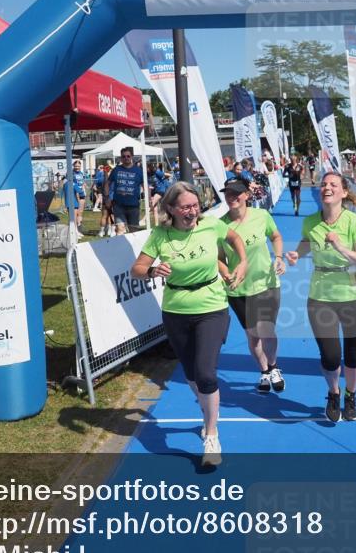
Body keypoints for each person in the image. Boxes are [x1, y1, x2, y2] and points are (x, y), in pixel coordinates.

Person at [131, 181, 247, 466]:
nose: (192, 211)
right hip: (176, 311)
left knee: (206, 374)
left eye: (195, 206)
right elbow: (136, 269)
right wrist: (153, 270)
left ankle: (211, 434)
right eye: (185, 207)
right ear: (171, 208)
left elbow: (235, 239)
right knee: (194, 376)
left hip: (212, 306)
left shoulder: (211, 226)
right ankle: (208, 411)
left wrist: (241, 263)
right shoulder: (160, 235)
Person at [285, 172, 356, 422]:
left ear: (344, 193)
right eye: (323, 184)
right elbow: (306, 242)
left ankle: (351, 394)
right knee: (331, 356)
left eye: (333, 184)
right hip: (321, 295)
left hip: (355, 295)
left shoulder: (354, 222)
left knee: (353, 353)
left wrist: (340, 247)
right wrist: (296, 255)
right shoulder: (311, 222)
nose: (327, 187)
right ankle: (333, 392)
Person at [218, 179, 286, 393]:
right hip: (239, 290)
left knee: (267, 330)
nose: (232, 197)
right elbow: (219, 258)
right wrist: (226, 273)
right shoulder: (220, 225)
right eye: (228, 193)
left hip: (266, 284)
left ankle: (274, 367)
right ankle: (264, 371)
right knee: (253, 335)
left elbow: (275, 236)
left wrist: (278, 257)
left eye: (236, 193)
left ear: (247, 195)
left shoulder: (261, 216)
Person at [106, 147, 143, 235]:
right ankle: (120, 248)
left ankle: (133, 249)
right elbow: (107, 183)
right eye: (123, 156)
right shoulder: (116, 170)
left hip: (133, 205)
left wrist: (149, 199)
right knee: (120, 229)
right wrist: (107, 197)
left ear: (132, 157)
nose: (126, 158)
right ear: (121, 158)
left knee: (134, 231)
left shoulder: (138, 171)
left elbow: (145, 185)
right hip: (118, 205)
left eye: (128, 156)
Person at [69, 160, 86, 232]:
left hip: (82, 194)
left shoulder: (81, 173)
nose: (77, 167)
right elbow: (72, 185)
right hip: (75, 194)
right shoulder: (72, 173)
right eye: (76, 166)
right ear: (73, 166)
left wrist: (84, 186)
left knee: (80, 212)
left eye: (78, 166)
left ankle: (79, 227)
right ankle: (75, 230)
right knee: (75, 212)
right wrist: (77, 194)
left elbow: (82, 182)